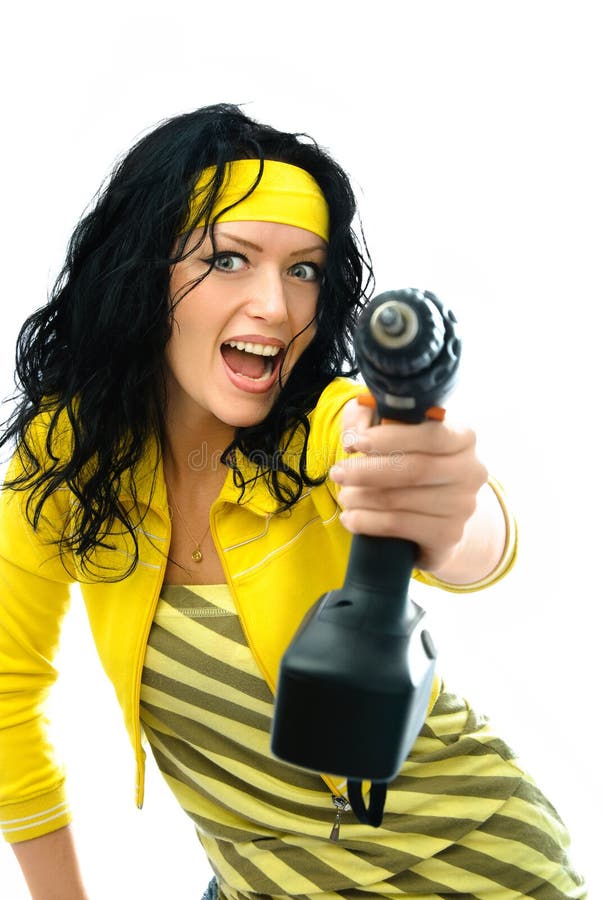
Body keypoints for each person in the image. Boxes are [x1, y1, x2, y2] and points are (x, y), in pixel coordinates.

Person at [0, 103, 585, 900]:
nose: (276, 307)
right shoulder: (69, 458)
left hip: (475, 872)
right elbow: (4, 688)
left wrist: (453, 515)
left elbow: (473, 529)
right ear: (142, 272)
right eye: (230, 259)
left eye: (303, 269)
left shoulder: (328, 427)